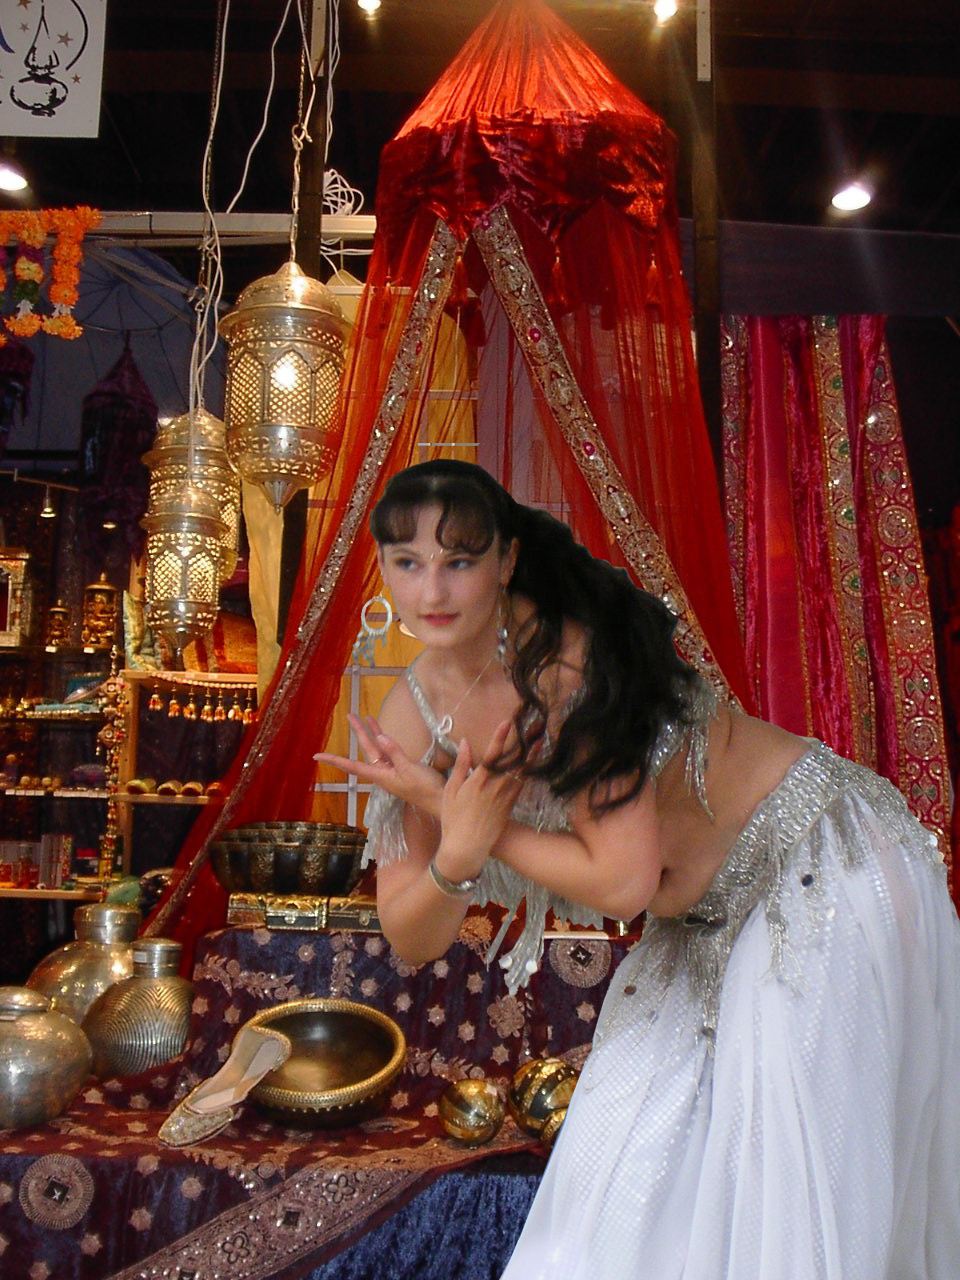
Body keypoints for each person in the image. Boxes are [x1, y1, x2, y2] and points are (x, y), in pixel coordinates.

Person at [315, 458, 960, 1279]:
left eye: (460, 561)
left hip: (817, 863)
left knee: (788, 1211)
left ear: (506, 562)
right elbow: (410, 933)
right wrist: (457, 854)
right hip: (700, 923)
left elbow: (624, 881)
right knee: (612, 1192)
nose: (432, 591)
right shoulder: (408, 714)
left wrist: (467, 820)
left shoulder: (561, 664)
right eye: (408, 562)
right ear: (382, 569)